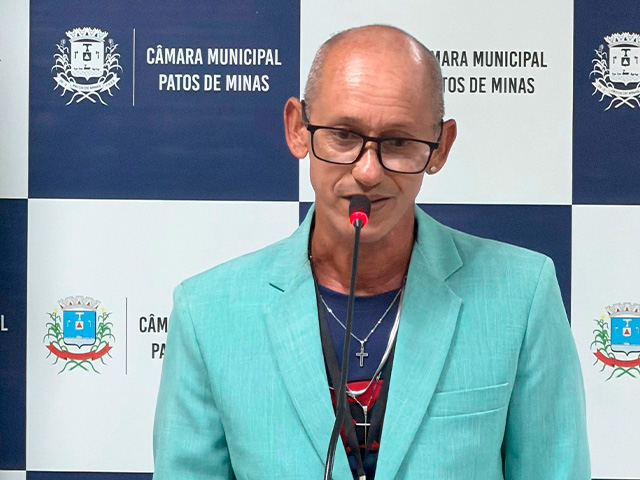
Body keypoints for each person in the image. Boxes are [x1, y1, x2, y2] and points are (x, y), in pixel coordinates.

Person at [153, 25, 590, 479]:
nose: (368, 171)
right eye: (343, 135)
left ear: (440, 148)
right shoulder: (207, 313)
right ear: (298, 130)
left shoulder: (523, 295)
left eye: (398, 143)